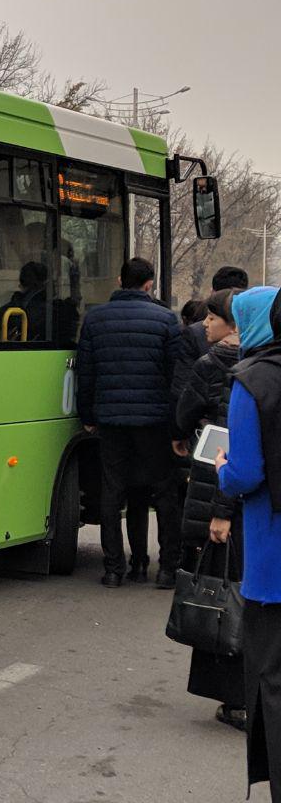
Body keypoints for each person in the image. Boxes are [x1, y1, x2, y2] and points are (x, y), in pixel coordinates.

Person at [75, 257, 182, 588]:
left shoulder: (95, 319)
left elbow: (86, 372)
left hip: (111, 420)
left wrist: (88, 416)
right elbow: (176, 377)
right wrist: (176, 424)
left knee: (112, 489)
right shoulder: (166, 319)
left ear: (120, 280)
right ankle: (167, 569)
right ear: (149, 285)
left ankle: (113, 569)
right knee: (164, 492)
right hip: (155, 421)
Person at [215, 286, 281, 796]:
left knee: (273, 679)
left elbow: (246, 472)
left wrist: (222, 468)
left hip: (272, 558)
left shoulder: (252, 382)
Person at [172, 288, 245, 729]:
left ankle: (234, 693)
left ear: (232, 323)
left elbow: (187, 411)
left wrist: (221, 509)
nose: (205, 324)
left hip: (217, 483)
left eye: (212, 318)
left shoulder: (215, 363)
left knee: (221, 580)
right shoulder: (265, 361)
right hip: (242, 497)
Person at [173, 265, 250, 400]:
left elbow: (182, 387)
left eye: (212, 317)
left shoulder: (195, 334)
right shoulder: (258, 339)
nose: (206, 323)